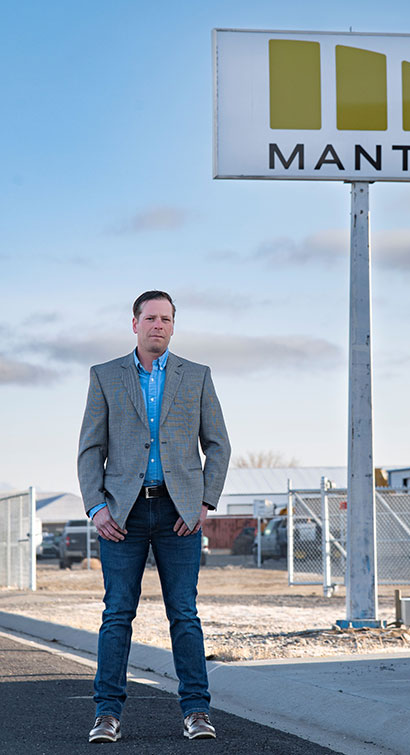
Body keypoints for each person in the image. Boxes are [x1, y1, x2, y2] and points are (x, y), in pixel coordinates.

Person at [78, 290, 231, 743]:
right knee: (116, 614)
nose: (158, 325)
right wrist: (96, 507)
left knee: (184, 613)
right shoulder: (105, 375)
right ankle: (107, 715)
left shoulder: (197, 376)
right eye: (150, 318)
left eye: (166, 319)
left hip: (179, 514)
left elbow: (218, 445)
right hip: (120, 515)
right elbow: (90, 448)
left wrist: (204, 503)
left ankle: (197, 712)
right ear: (135, 324)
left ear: (173, 325)